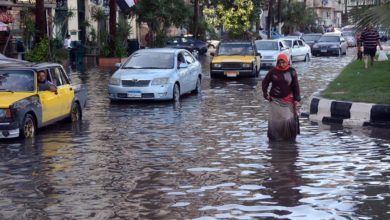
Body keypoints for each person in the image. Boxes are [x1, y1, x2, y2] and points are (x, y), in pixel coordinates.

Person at [262, 54, 301, 142]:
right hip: (274, 101)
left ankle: (289, 139)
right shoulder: (273, 71)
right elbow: (265, 82)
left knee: (287, 119)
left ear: (286, 61)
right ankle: (275, 138)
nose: (281, 64)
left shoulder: (292, 71)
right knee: (275, 120)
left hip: (288, 100)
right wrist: (265, 94)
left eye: (283, 62)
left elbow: (295, 85)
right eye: (279, 62)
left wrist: (297, 99)